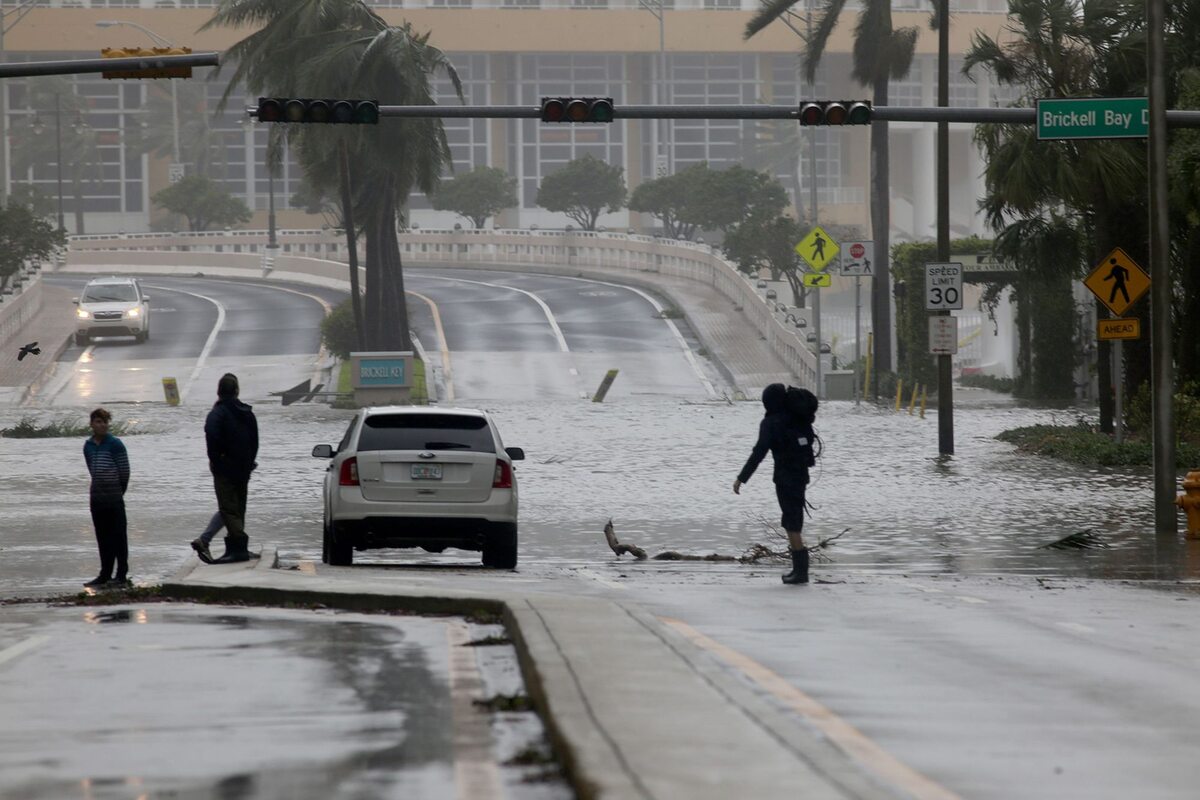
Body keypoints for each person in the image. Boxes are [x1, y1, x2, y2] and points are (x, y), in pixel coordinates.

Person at [733, 384, 819, 585]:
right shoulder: (796, 418)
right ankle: (800, 569)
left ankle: (800, 572)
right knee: (794, 519)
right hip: (801, 475)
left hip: (784, 477)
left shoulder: (771, 423)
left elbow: (759, 453)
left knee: (791, 522)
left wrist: (741, 478)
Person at [203, 373, 259, 564]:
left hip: (225, 469)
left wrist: (216, 462)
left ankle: (239, 546)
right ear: (236, 391)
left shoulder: (217, 414)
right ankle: (236, 546)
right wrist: (250, 461)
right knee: (239, 507)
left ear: (218, 391)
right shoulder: (246, 412)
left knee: (228, 508)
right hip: (244, 468)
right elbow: (255, 440)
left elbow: (211, 436)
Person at [82, 407, 130, 588]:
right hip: (96, 499)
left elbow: (124, 472)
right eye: (98, 422)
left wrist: (117, 492)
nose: (102, 425)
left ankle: (121, 574)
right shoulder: (88, 446)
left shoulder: (116, 444)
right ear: (92, 424)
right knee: (102, 537)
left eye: (105, 422)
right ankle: (105, 574)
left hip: (114, 498)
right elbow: (92, 471)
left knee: (119, 536)